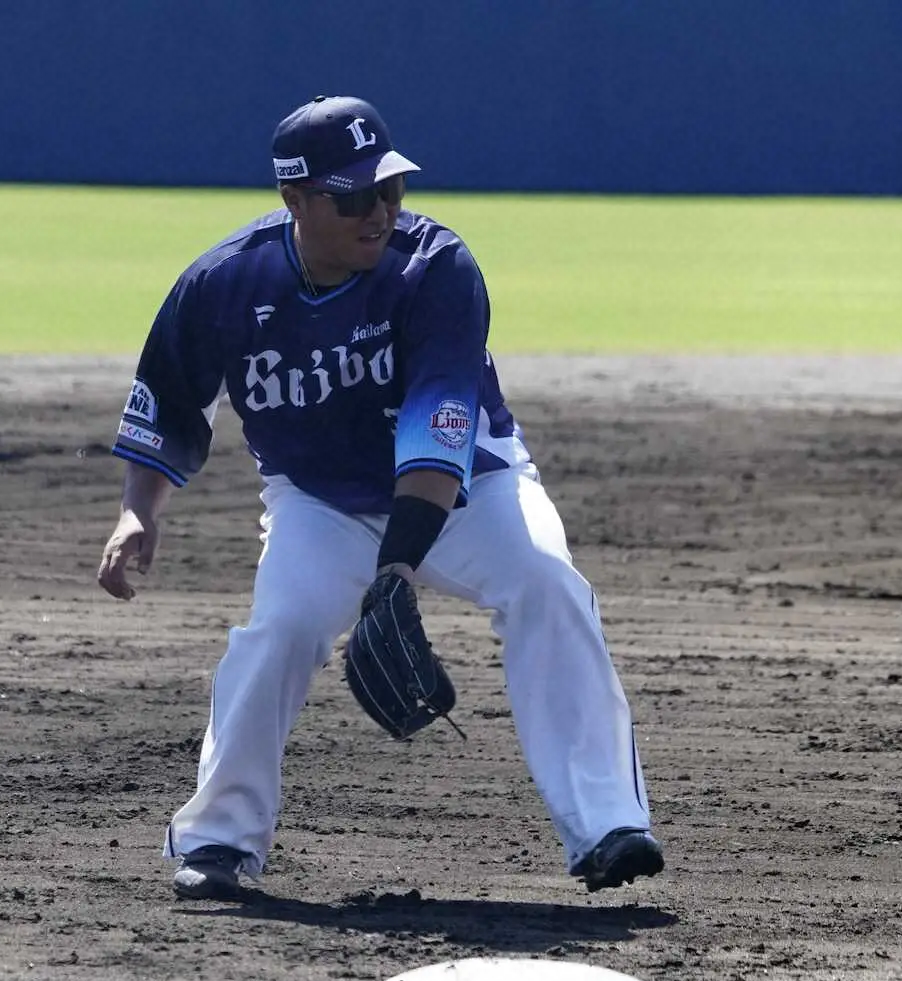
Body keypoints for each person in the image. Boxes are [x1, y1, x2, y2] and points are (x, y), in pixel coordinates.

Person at [96, 95, 663, 901]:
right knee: (280, 630)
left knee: (545, 582)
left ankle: (608, 822)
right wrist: (136, 511)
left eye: (390, 189)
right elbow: (169, 403)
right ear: (296, 201)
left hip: (470, 486)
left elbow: (440, 438)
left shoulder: (435, 268)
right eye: (356, 196)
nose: (382, 212)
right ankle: (219, 839)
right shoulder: (224, 284)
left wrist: (394, 569)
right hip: (320, 501)